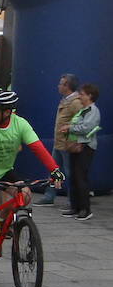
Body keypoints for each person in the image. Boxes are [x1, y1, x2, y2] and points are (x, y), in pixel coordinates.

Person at [0, 90, 63, 270]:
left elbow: (38, 148)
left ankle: (0, 221)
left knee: (25, 195)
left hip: (3, 171)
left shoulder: (20, 125)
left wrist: (55, 170)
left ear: (7, 112)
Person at [63, 83, 101, 221]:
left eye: (82, 94)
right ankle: (76, 206)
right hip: (75, 146)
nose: (80, 96)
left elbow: (86, 127)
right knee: (73, 177)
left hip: (85, 147)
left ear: (90, 96)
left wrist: (70, 128)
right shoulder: (82, 110)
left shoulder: (93, 111)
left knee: (81, 177)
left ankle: (86, 209)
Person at [47, 73, 83, 205]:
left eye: (60, 84)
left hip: (68, 144)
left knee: (70, 173)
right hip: (59, 143)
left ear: (67, 86)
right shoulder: (65, 100)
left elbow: (82, 121)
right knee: (53, 170)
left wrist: (70, 129)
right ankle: (49, 196)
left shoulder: (75, 103)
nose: (58, 86)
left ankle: (73, 200)